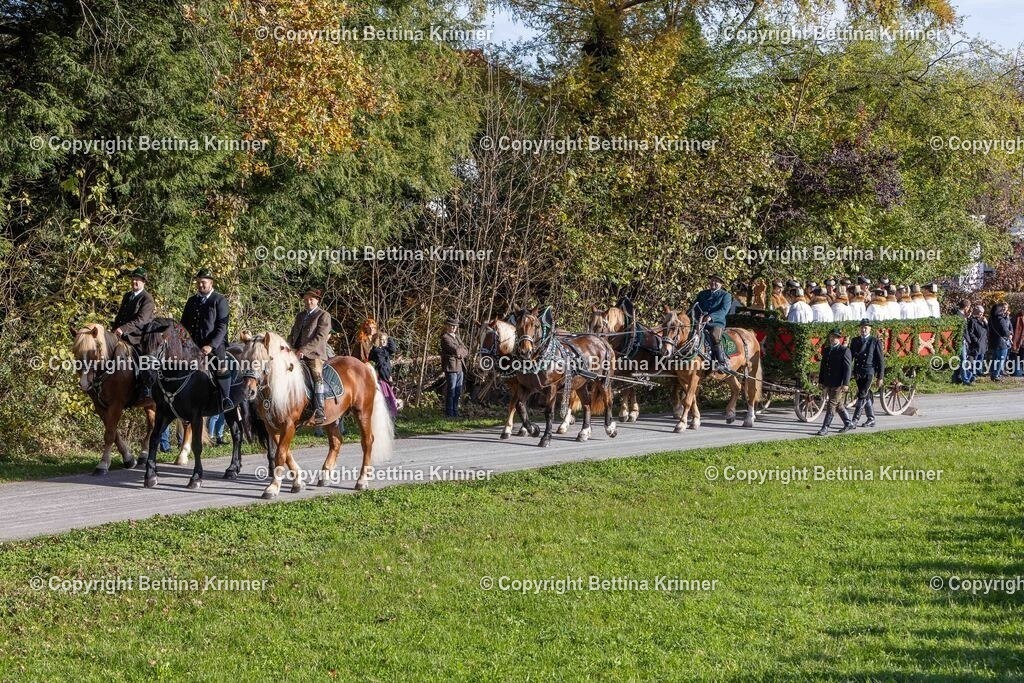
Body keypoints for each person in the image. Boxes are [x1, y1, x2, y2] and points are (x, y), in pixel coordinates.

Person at [181, 269, 233, 412]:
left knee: (221, 368)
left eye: (203, 282)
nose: (200, 285)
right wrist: (183, 341)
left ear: (211, 283)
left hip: (215, 346)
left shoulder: (219, 300)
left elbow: (222, 327)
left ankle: (225, 398)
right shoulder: (192, 301)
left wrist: (210, 345)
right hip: (192, 346)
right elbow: (183, 324)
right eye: (198, 282)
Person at [287, 288, 332, 424]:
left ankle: (319, 409)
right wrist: (286, 346)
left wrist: (303, 350)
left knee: (317, 376)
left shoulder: (323, 315)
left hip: (314, 355)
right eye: (306, 299)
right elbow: (293, 334)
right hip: (295, 352)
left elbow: (321, 337)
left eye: (311, 299)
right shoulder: (300, 316)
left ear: (317, 300)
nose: (308, 301)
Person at [112, 266, 156, 399]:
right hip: (121, 336)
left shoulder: (147, 298)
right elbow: (120, 316)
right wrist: (113, 330)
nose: (134, 282)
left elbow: (141, 320)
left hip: (138, 337)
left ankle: (145, 389)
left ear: (143, 282)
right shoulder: (127, 296)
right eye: (133, 279)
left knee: (143, 360)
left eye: (138, 280)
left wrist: (123, 329)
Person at [816, 328, 854, 436]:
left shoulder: (844, 350)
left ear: (839, 339)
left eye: (835, 337)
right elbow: (823, 367)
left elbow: (847, 368)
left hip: (839, 383)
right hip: (829, 381)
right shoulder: (827, 350)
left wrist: (846, 383)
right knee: (838, 405)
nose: (833, 339)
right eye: (831, 337)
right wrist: (821, 381)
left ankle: (825, 427)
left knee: (831, 404)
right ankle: (848, 423)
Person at [691, 274, 733, 370]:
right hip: (700, 322)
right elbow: (694, 307)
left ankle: (722, 362)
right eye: (712, 280)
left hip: (716, 323)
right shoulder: (702, 294)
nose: (713, 282)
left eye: (716, 281)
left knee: (714, 335)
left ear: (721, 284)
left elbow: (724, 310)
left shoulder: (726, 296)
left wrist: (711, 316)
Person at [849, 319, 884, 427]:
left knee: (861, 395)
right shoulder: (855, 340)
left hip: (869, 371)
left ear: (870, 329)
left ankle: (854, 420)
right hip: (858, 371)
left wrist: (880, 377)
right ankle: (871, 418)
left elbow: (880, 360)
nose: (863, 329)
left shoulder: (874, 341)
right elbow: (850, 357)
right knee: (866, 395)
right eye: (862, 327)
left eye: (866, 328)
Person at [365, 320, 400, 418]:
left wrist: (388, 338)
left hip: (387, 378)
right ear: (377, 340)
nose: (383, 342)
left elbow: (393, 349)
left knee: (390, 399)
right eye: (381, 340)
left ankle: (390, 417)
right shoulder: (376, 351)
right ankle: (385, 417)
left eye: (385, 340)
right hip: (381, 379)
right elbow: (379, 365)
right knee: (385, 399)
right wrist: (386, 378)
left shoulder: (385, 350)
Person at [440, 318, 469, 418]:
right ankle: (449, 413)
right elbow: (456, 350)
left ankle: (455, 411)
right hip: (451, 367)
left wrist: (460, 353)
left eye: (455, 326)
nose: (453, 327)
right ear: (447, 326)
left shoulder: (456, 337)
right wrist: (460, 352)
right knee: (451, 390)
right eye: (451, 325)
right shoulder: (445, 337)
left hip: (460, 367)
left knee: (458, 391)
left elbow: (466, 351)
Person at [963, 304, 988, 385]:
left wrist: (986, 323)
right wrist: (976, 340)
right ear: (976, 312)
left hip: (983, 343)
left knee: (981, 358)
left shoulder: (983, 320)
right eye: (980, 312)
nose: (981, 314)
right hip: (976, 344)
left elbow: (988, 331)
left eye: (982, 312)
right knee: (974, 359)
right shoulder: (972, 320)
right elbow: (970, 332)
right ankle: (973, 374)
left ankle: (978, 371)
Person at [988, 302, 1012, 382]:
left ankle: (993, 374)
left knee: (995, 359)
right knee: (1001, 360)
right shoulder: (1001, 319)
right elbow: (1005, 331)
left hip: (994, 342)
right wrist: (1010, 334)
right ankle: (996, 376)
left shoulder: (991, 318)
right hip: (1002, 342)